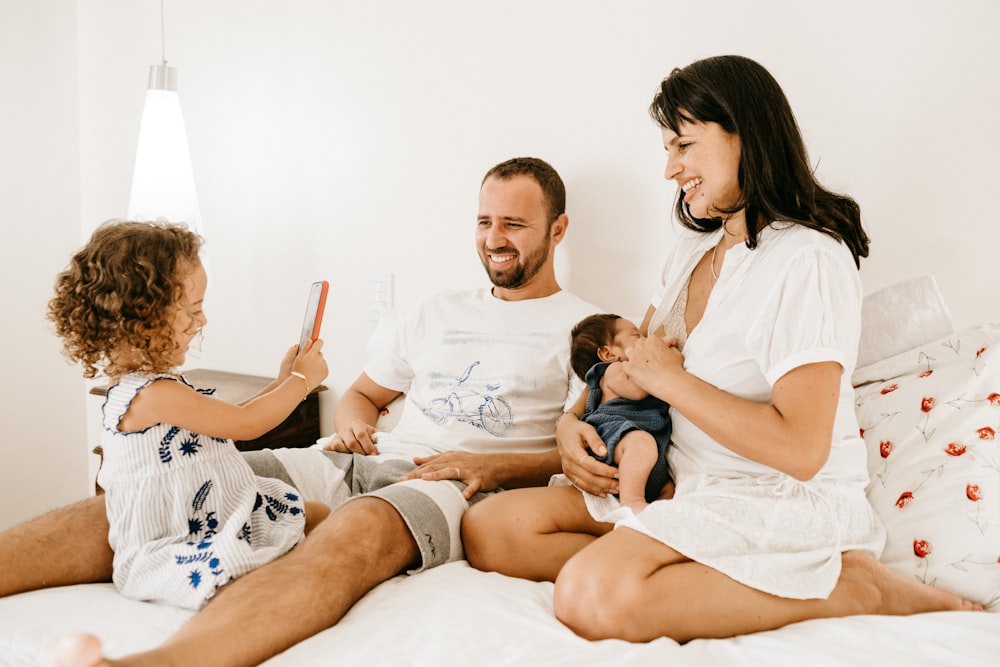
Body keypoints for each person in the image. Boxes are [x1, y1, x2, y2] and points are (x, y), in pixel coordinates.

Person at [462, 55, 981, 644]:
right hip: (682, 480)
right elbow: (636, 361)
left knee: (590, 593)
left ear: (745, 135)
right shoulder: (693, 247)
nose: (670, 169)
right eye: (667, 148)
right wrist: (569, 420)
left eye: (683, 145)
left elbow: (803, 448)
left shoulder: (806, 258)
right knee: (490, 529)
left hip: (775, 496)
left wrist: (675, 383)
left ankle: (856, 587)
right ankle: (684, 559)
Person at [31, 157, 601, 666]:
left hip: (453, 482)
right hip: (358, 458)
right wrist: (352, 425)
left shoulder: (588, 329)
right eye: (485, 222)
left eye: (514, 225)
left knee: (357, 527)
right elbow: (363, 397)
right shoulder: (437, 310)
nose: (494, 238)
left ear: (558, 229)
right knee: (182, 479)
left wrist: (496, 470)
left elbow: (586, 456)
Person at [47, 220, 330, 612]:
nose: (203, 322)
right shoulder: (153, 395)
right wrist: (302, 381)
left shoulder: (154, 386)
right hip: (179, 535)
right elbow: (247, 425)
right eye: (194, 310)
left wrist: (283, 380)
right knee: (244, 564)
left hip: (217, 512)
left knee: (315, 514)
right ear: (145, 318)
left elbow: (231, 416)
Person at [565, 313, 671, 512]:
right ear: (608, 354)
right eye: (636, 336)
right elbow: (639, 389)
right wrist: (661, 349)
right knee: (641, 444)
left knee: (668, 488)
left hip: (644, 452)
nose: (645, 340)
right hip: (613, 435)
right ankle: (631, 502)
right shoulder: (613, 371)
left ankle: (655, 512)